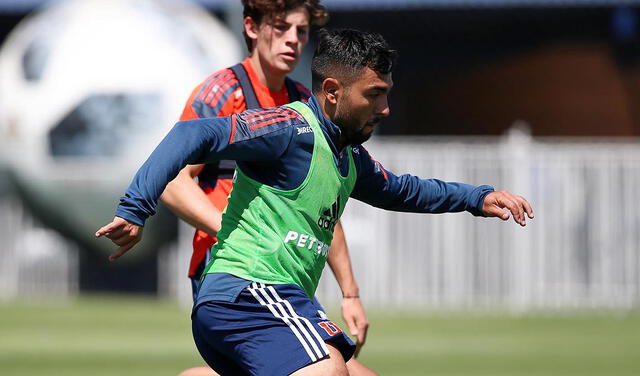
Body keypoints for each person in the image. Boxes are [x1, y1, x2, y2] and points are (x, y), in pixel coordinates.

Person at [96, 28, 534, 375]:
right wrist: (136, 209)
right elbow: (194, 133)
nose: (385, 108)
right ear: (331, 91)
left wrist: (477, 197)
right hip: (247, 295)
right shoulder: (289, 129)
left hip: (275, 304)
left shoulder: (347, 156)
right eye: (374, 94)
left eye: (387, 92)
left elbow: (404, 189)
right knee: (326, 371)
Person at [158, 1, 375, 375]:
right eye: (281, 27)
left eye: (301, 31)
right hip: (233, 272)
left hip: (280, 277)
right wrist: (236, 234)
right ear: (252, 28)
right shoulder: (223, 92)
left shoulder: (305, 104)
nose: (292, 39)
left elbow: (321, 205)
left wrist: (350, 292)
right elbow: (173, 182)